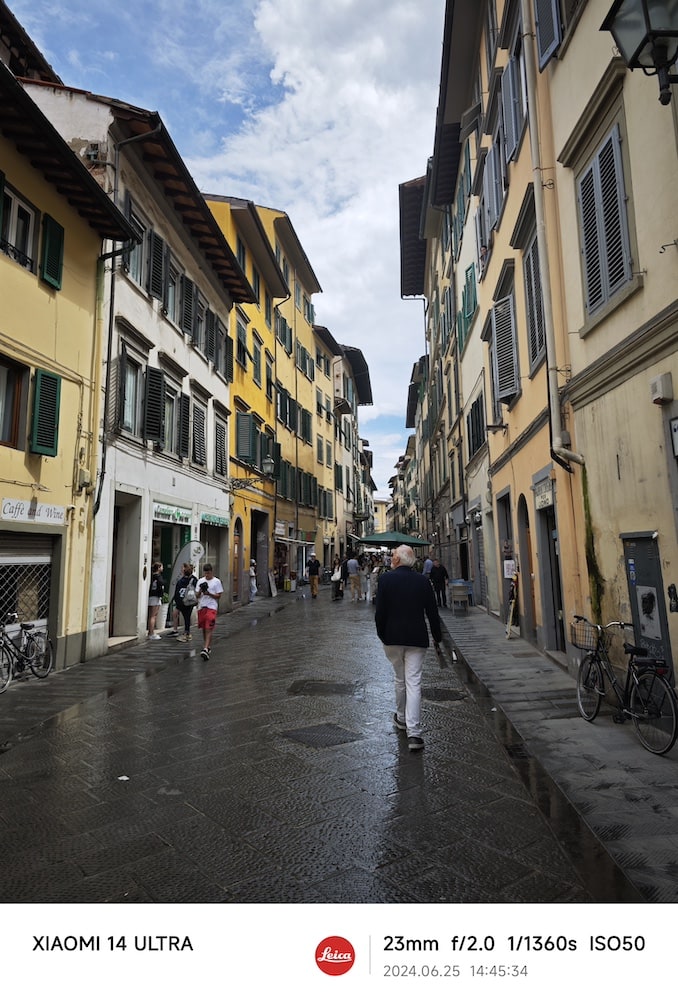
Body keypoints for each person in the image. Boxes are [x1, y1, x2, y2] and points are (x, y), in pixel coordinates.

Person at [375, 544, 442, 752]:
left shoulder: (385, 580)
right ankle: (414, 734)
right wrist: (437, 637)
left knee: (399, 678)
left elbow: (380, 613)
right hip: (416, 638)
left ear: (397, 560)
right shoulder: (423, 581)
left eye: (394, 555)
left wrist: (382, 635)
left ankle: (402, 718)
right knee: (414, 682)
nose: (392, 558)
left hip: (393, 638)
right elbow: (432, 612)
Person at [196, 563, 223, 660]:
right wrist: (200, 591)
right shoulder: (200, 581)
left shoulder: (216, 582)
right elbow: (197, 596)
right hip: (202, 607)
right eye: (205, 573)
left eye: (208, 573)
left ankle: (205, 648)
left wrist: (209, 594)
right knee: (204, 628)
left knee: (208, 628)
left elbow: (219, 596)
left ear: (211, 572)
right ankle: (207, 646)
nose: (207, 575)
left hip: (212, 607)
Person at [173, 562, 198, 641]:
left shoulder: (180, 581)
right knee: (187, 617)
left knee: (185, 617)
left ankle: (186, 633)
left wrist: (177, 602)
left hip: (182, 601)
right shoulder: (194, 579)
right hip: (190, 601)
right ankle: (187, 632)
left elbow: (177, 592)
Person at [147, 562, 166, 640]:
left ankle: (150, 632)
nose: (162, 568)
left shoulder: (151, 576)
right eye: (161, 567)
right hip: (156, 597)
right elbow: (161, 584)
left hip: (152, 596)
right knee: (153, 616)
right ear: (158, 568)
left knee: (151, 615)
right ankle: (151, 633)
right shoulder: (158, 577)